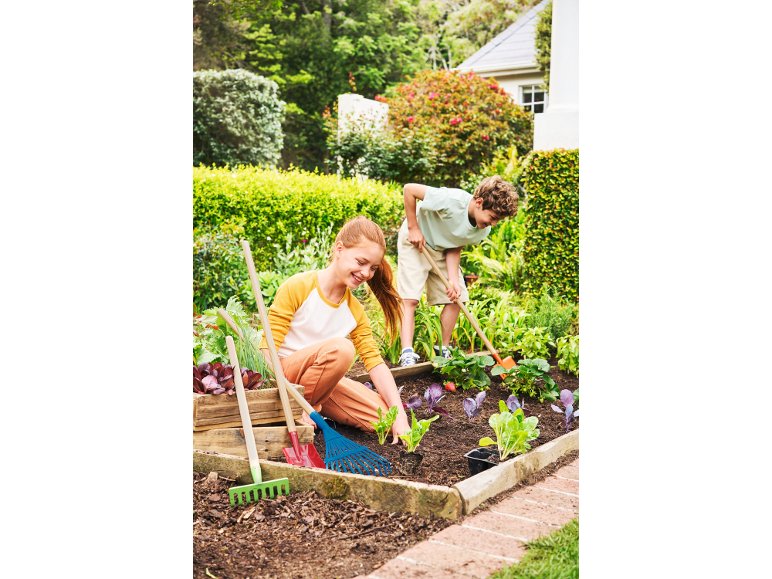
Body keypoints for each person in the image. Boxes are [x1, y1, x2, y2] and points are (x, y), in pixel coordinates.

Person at [259, 216, 410, 443]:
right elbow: (266, 351)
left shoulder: (354, 311)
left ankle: (311, 408)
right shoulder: (299, 287)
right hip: (281, 377)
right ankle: (298, 409)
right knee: (342, 350)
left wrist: (400, 417)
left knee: (387, 420)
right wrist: (290, 395)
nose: (366, 273)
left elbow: (376, 364)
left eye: (373, 268)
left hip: (320, 385)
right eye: (361, 262)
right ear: (339, 249)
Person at [397, 176, 519, 366]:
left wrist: (453, 280)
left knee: (457, 297)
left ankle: (442, 349)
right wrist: (413, 227)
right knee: (410, 298)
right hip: (415, 241)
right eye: (493, 217)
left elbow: (456, 244)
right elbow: (409, 189)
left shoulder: (483, 228)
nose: (493, 224)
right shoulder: (451, 200)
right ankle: (407, 352)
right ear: (479, 202)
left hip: (442, 249)